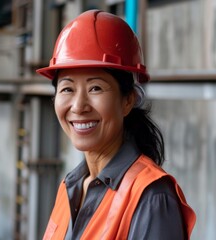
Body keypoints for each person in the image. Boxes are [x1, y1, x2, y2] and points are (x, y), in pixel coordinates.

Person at [36, 9, 196, 240]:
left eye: (96, 88)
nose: (79, 106)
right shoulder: (70, 186)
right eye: (67, 89)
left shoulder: (150, 197)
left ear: (127, 100)